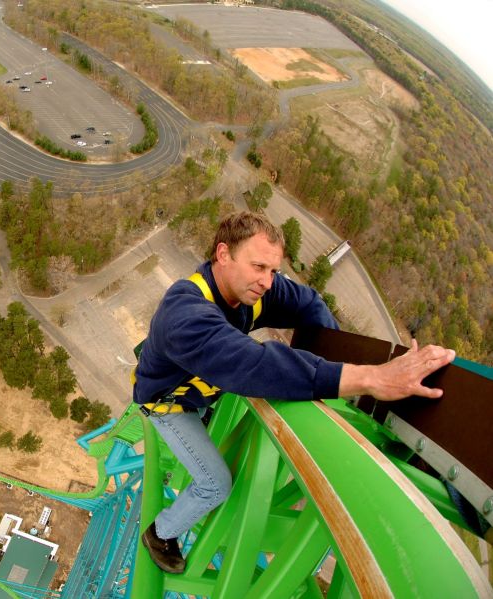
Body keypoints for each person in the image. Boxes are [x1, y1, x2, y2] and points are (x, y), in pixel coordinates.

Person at [133, 211, 455, 574]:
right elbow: (257, 364)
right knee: (215, 483)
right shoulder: (185, 314)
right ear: (223, 254)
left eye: (273, 270)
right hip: (170, 405)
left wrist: (343, 358)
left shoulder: (249, 289)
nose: (268, 282)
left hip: (200, 392)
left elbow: (308, 304)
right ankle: (161, 533)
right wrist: (369, 378)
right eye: (259, 267)